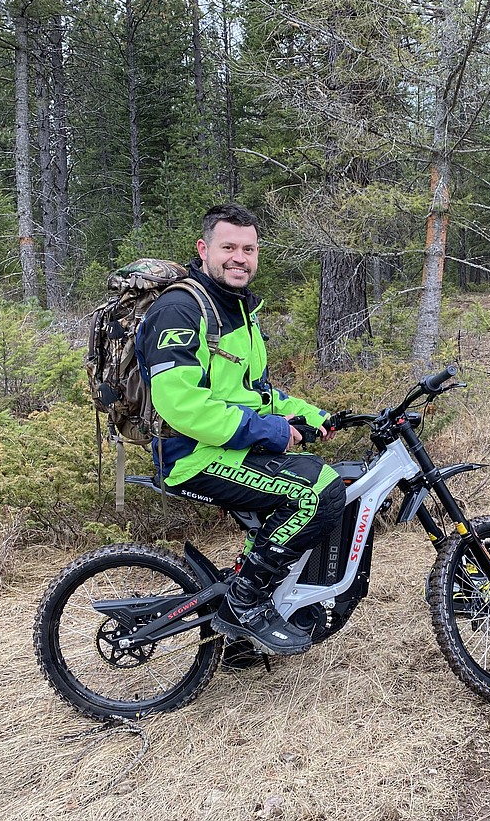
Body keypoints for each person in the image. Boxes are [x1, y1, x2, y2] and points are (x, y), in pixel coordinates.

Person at [135, 203, 345, 656]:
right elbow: (181, 404)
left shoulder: (236, 310)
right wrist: (267, 432)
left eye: (248, 249)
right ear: (204, 249)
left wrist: (312, 414)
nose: (239, 257)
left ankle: (242, 638)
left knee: (306, 486)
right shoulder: (182, 310)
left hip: (221, 446)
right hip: (192, 453)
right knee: (318, 491)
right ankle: (245, 599)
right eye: (228, 247)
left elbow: (254, 393)